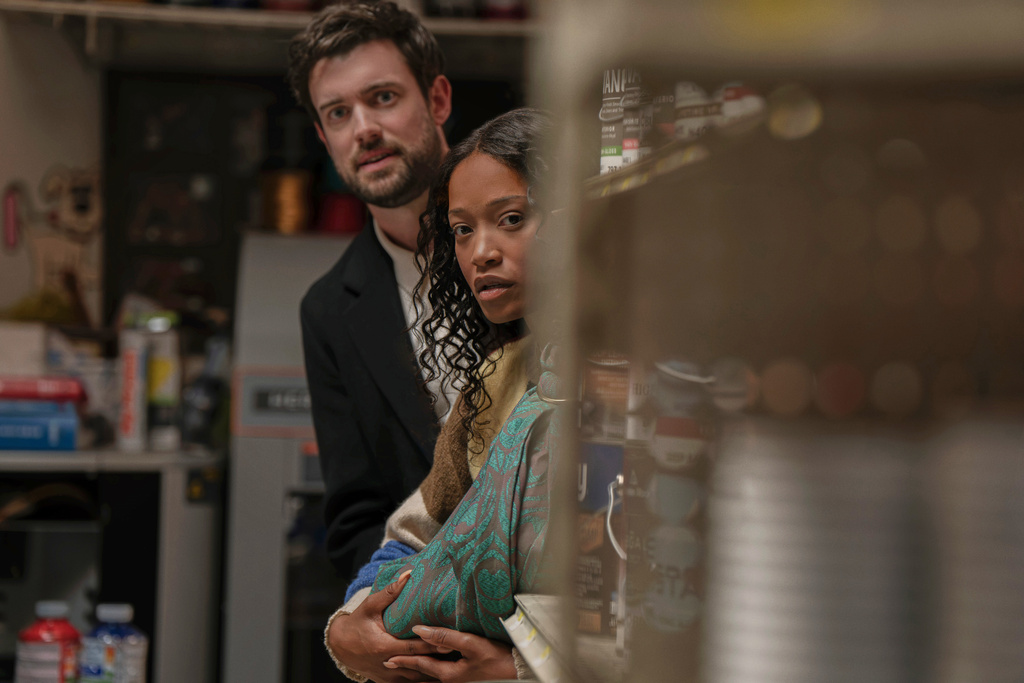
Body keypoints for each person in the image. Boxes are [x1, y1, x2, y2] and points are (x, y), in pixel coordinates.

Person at [326, 108, 558, 683]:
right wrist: (348, 627)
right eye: (462, 229)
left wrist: (521, 674)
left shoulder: (647, 385)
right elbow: (412, 541)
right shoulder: (495, 384)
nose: (481, 252)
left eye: (511, 219)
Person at [290, 0, 458, 583]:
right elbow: (357, 518)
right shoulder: (329, 310)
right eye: (338, 113)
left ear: (437, 100)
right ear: (324, 136)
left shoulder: (534, 238)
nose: (363, 128)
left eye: (382, 97)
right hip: (435, 620)